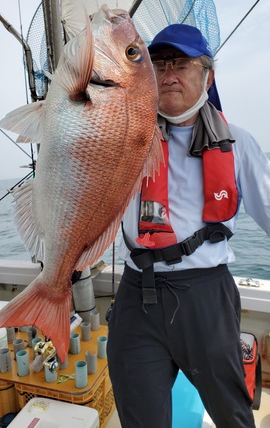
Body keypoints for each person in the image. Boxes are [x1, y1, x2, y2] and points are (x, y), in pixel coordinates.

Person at [107, 24, 269, 428]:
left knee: (232, 414)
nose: (169, 75)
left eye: (181, 63)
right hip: (135, 295)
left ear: (208, 75)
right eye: (159, 65)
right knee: (140, 417)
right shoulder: (125, 136)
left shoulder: (237, 142)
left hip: (205, 295)